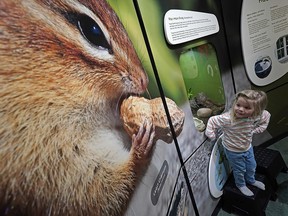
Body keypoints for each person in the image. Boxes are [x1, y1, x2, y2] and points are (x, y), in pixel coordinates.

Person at [205, 90, 271, 196]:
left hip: (247, 147)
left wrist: (257, 130)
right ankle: (241, 185)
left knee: (252, 166)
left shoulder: (256, 116)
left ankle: (251, 180)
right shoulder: (227, 118)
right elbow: (212, 120)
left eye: (247, 108)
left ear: (256, 110)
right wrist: (211, 134)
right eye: (238, 105)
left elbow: (267, 116)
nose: (240, 109)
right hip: (233, 150)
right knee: (239, 169)